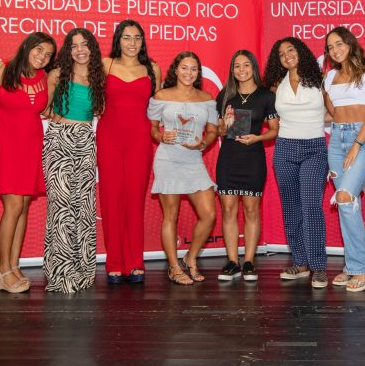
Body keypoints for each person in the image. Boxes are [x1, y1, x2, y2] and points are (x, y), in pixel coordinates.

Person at [0, 32, 56, 293]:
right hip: (6, 145)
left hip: (31, 144)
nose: (42, 57)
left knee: (24, 206)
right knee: (13, 205)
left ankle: (13, 265)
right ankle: (2, 270)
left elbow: (43, 109)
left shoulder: (44, 78)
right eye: (39, 50)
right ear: (27, 47)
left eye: (48, 55)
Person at [323, 27, 365, 292]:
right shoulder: (329, 77)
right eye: (330, 47)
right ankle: (353, 265)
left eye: (339, 44)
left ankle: (361, 266)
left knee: (346, 196)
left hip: (363, 138)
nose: (335, 50)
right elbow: (332, 112)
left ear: (350, 44)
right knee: (346, 203)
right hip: (336, 140)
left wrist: (357, 144)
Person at [96, 20, 161, 283]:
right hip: (109, 136)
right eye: (126, 38)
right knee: (111, 199)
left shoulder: (152, 68)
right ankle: (114, 262)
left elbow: (157, 107)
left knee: (135, 199)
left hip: (140, 139)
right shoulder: (105, 64)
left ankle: (135, 261)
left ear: (142, 41)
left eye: (137, 38)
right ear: (117, 40)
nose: (132, 43)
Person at [148, 51, 219, 285]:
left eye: (194, 69)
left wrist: (204, 143)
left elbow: (212, 131)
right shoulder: (161, 95)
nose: (189, 73)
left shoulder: (207, 98)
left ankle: (190, 257)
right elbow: (153, 129)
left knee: (208, 214)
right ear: (176, 70)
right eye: (185, 68)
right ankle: (174, 267)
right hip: (168, 158)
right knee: (171, 215)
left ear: (198, 73)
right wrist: (161, 135)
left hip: (193, 159)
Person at [263, 37, 329, 288]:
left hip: (314, 148)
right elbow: (261, 110)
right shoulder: (276, 85)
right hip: (285, 148)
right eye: (281, 54)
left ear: (301, 51)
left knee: (311, 207)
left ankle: (319, 267)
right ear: (277, 61)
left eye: (291, 50)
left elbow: (335, 112)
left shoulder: (321, 80)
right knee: (291, 208)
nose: (287, 55)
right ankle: (301, 264)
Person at [42, 28, 105, 292]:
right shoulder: (57, 75)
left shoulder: (99, 78)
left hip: (86, 141)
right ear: (68, 50)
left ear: (92, 48)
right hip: (59, 140)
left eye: (85, 44)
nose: (80, 49)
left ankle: (83, 271)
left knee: (83, 207)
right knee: (61, 209)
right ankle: (62, 273)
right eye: (74, 45)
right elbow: (42, 108)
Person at [215, 50, 279, 282]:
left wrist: (257, 138)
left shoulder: (266, 96)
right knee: (229, 210)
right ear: (232, 70)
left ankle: (249, 261)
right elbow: (219, 131)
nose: (241, 70)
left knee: (251, 211)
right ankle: (233, 261)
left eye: (246, 65)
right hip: (228, 158)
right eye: (236, 66)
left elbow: (274, 130)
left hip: (253, 158)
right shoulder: (224, 96)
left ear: (253, 68)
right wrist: (226, 125)